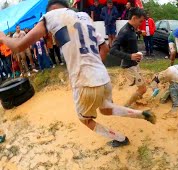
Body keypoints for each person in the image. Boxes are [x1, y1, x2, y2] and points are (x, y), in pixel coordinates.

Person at [0, 0, 156, 148]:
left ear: (52, 9)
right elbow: (105, 49)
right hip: (102, 77)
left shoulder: (52, 15)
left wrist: (2, 36)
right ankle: (141, 114)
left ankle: (120, 138)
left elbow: (18, 46)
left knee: (85, 120)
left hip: (83, 81)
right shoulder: (85, 17)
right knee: (106, 109)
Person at [110, 7, 149, 108]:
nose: (140, 24)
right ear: (134, 18)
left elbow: (131, 34)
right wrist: (130, 56)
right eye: (140, 21)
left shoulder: (131, 29)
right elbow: (112, 50)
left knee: (142, 87)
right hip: (128, 66)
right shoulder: (124, 31)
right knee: (143, 89)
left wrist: (139, 32)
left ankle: (135, 100)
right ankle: (126, 106)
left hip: (134, 64)